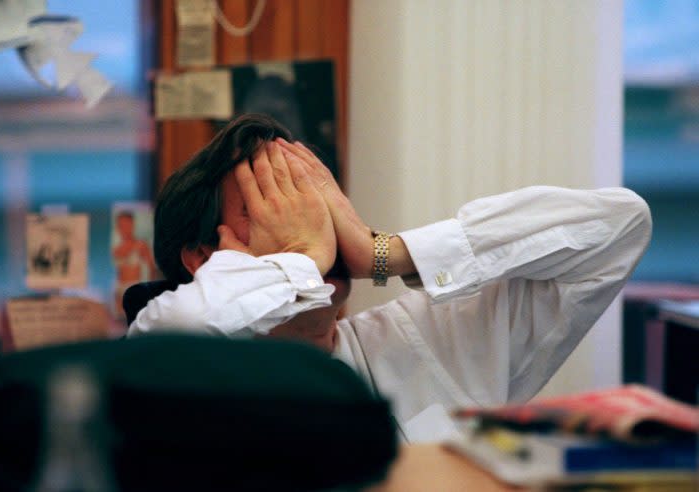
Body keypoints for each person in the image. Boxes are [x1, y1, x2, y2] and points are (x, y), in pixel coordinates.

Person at [129, 114, 652, 442]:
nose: (317, 223)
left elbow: (620, 228)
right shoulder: (176, 370)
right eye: (275, 200)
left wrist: (388, 254)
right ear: (202, 258)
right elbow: (172, 331)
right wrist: (304, 258)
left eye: (315, 197)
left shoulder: (437, 338)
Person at [113, 212, 155, 316]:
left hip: (134, 288)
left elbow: (151, 267)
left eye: (127, 225)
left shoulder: (140, 244)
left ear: (132, 225)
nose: (124, 229)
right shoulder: (116, 249)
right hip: (119, 289)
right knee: (119, 321)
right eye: (121, 226)